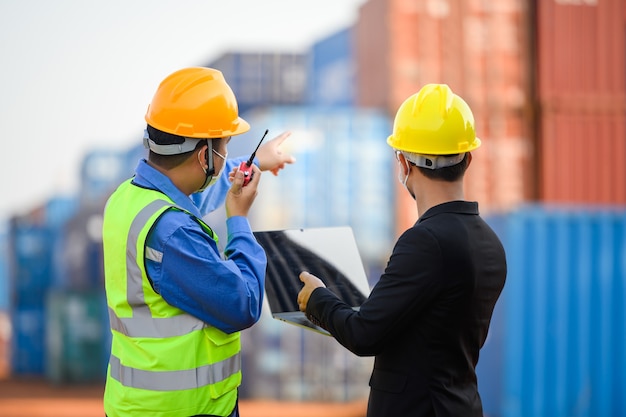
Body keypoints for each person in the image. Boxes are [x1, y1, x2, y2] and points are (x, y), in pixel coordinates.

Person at [297, 83, 507, 417]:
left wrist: (318, 299)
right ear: (467, 158)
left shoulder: (425, 242)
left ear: (403, 164)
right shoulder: (491, 243)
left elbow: (364, 335)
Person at [102, 67, 295, 417]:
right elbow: (243, 303)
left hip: (135, 406)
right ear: (204, 156)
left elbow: (188, 196)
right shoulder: (174, 233)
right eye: (224, 145)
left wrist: (253, 163)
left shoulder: (128, 199)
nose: (226, 152)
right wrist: (238, 219)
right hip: (182, 410)